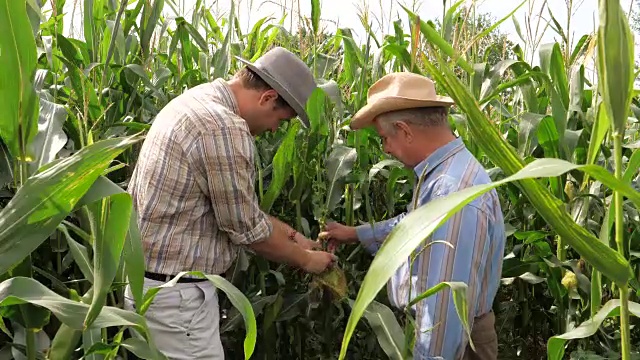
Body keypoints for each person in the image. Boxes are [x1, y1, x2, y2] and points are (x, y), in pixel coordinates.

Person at [123, 47, 337, 359]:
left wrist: (298, 239)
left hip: (151, 290)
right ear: (267, 98)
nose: (275, 129)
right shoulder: (222, 127)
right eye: (281, 118)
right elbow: (249, 230)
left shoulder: (196, 100)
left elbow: (242, 211)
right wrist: (307, 261)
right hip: (178, 304)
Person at [320, 72, 505, 360]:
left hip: (450, 345)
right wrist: (354, 233)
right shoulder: (443, 176)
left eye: (384, 138)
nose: (385, 149)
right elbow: (410, 226)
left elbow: (444, 309)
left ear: (405, 131)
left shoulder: (453, 192)